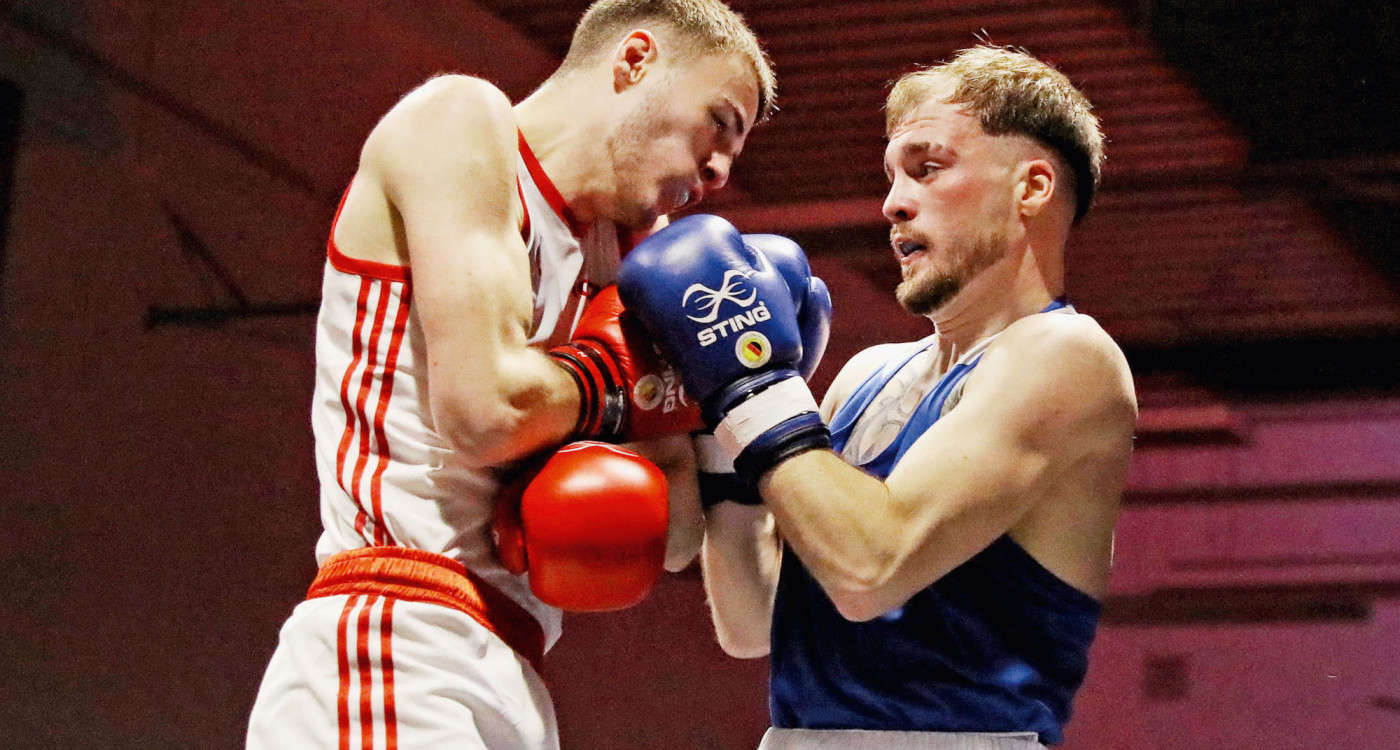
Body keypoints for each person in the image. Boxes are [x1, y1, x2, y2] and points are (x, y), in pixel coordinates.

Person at [245, 1, 774, 748]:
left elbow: (678, 535)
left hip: (515, 663)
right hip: (393, 633)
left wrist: (727, 395)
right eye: (718, 121)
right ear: (635, 60)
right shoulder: (459, 123)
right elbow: (484, 410)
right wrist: (615, 382)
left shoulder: (625, 263)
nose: (720, 170)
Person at [617, 46, 1136, 750]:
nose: (893, 202)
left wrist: (751, 384)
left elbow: (869, 567)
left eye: (928, 168)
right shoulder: (870, 375)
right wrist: (719, 425)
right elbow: (755, 620)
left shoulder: (1067, 359)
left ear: (1032, 188)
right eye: (891, 175)